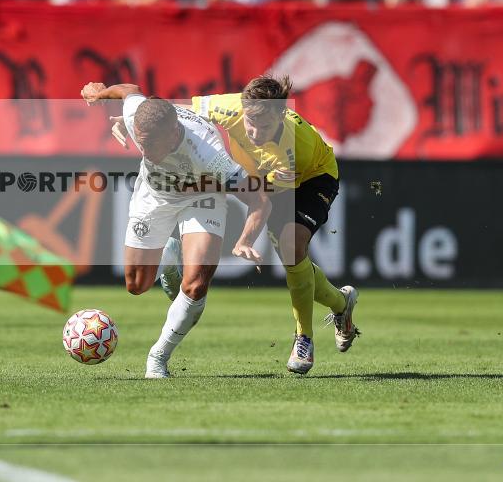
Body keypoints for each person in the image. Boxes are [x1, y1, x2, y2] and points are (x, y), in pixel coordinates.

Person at [111, 75, 360, 375]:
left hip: (308, 180)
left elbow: (262, 198)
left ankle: (303, 338)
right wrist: (139, 124)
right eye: (250, 124)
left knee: (292, 248)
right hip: (255, 180)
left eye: (264, 127)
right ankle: (341, 302)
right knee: (296, 261)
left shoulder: (294, 150)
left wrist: (244, 239)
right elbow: (179, 114)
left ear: (281, 115)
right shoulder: (228, 107)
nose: (254, 133)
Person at [81, 82, 272, 379]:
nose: (144, 151)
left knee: (196, 284)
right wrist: (100, 93)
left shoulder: (210, 155)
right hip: (155, 195)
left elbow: (259, 199)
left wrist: (245, 239)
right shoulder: (137, 116)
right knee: (136, 285)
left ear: (173, 134)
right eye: (140, 143)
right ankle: (172, 254)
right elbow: (129, 89)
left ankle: (158, 357)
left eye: (150, 145)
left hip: (202, 196)